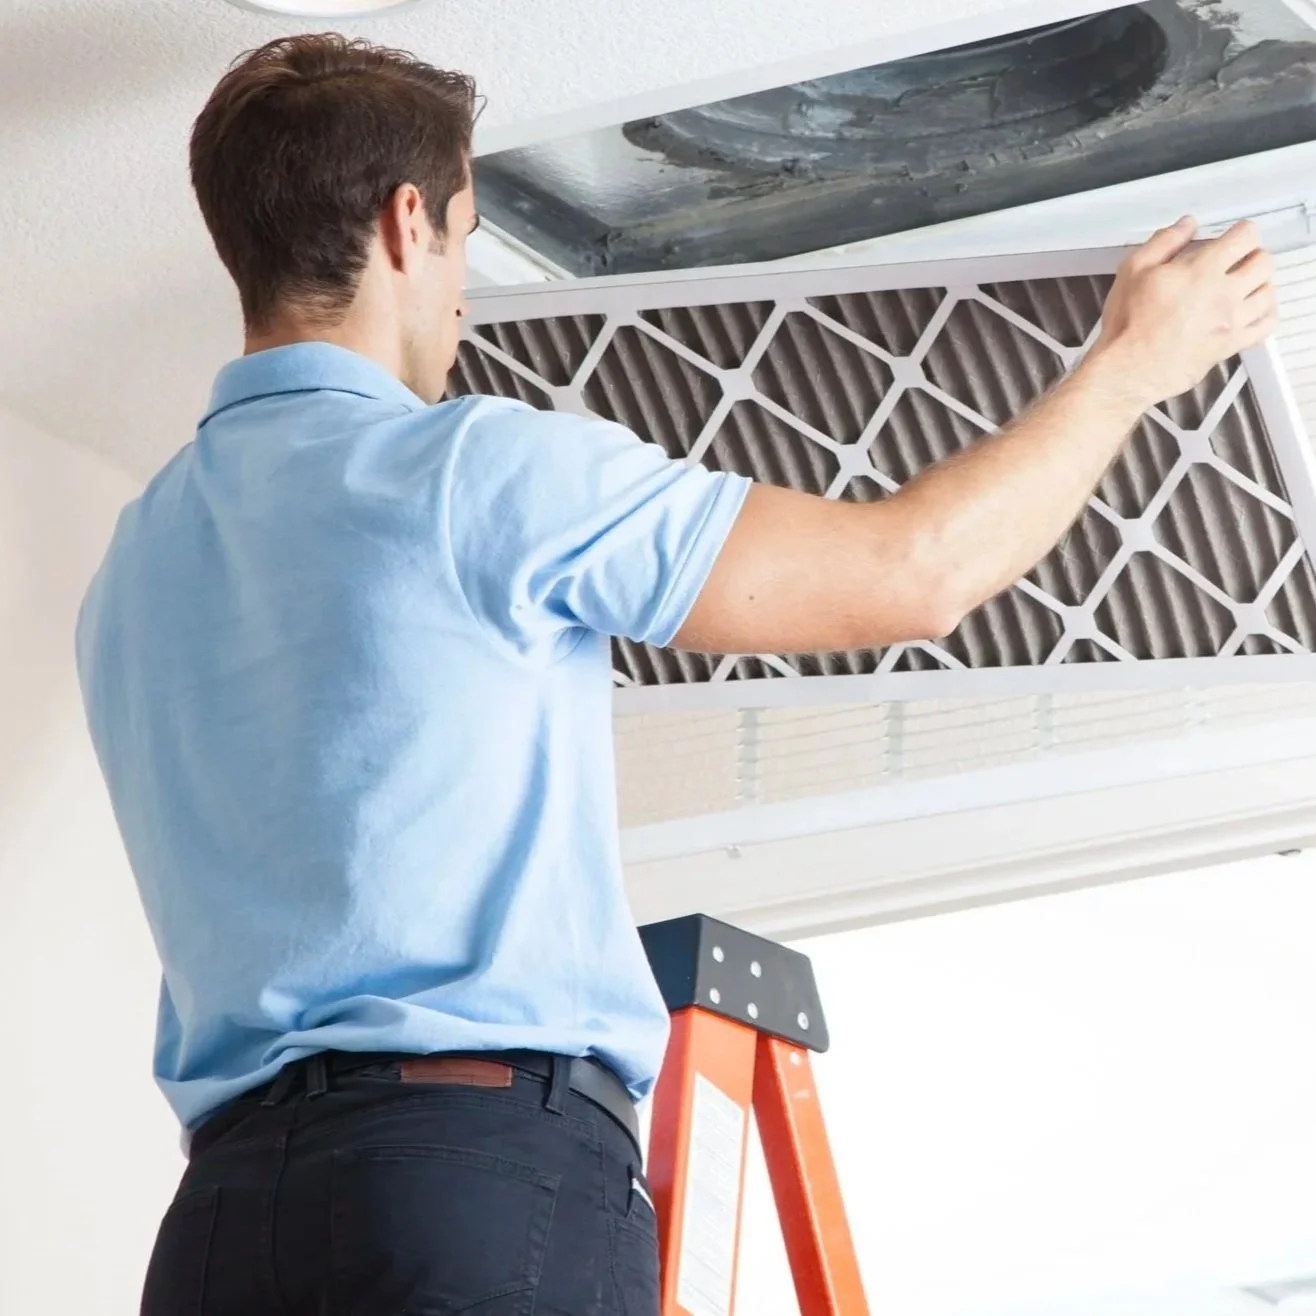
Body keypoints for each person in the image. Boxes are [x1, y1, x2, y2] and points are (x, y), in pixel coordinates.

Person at [75, 31, 1278, 1316]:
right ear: (407, 221)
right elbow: (910, 571)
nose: (467, 297)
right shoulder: (478, 467)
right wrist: (1128, 369)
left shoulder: (133, 568)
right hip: (464, 1180)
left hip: (217, 1232)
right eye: (470, 241)